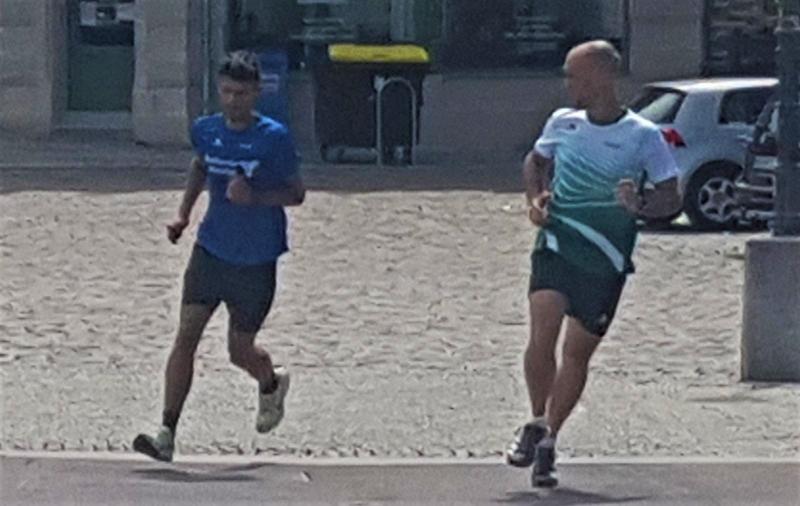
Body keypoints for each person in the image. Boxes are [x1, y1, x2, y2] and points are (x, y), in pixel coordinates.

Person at [505, 40, 682, 487]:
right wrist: (535, 199)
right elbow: (535, 161)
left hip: (605, 256)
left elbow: (671, 196)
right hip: (558, 241)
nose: (568, 84)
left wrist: (640, 204)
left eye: (575, 75)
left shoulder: (643, 135)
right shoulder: (562, 123)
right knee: (542, 329)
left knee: (576, 353)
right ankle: (535, 420)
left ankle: (549, 438)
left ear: (603, 77)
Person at [133, 50, 305, 462]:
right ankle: (166, 433)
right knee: (186, 336)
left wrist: (255, 197)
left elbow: (296, 194)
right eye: (226, 92)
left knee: (239, 351)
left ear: (256, 92)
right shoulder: (206, 130)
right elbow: (201, 166)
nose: (233, 101)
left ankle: (270, 382)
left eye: (241, 93)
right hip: (211, 250)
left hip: (256, 259)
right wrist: (183, 214)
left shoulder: (274, 138)